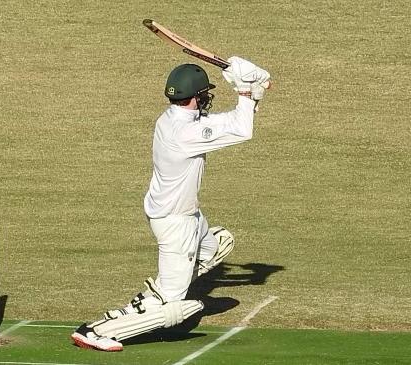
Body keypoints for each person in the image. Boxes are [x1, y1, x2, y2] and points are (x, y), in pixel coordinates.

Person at [71, 57, 270, 351]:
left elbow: (231, 122)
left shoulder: (172, 120)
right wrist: (243, 91)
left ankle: (173, 277)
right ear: (197, 97)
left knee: (216, 245)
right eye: (205, 94)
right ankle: (99, 330)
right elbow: (241, 130)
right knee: (175, 305)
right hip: (177, 223)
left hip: (184, 215)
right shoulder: (187, 134)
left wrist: (256, 90)